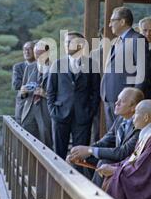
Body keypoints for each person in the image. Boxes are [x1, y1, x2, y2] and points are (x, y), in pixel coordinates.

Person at [68, 88, 144, 186]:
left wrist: (89, 150)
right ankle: (86, 189)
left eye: (122, 101)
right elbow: (105, 141)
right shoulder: (120, 119)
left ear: (133, 107)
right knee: (87, 158)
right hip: (119, 162)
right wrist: (82, 153)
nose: (116, 103)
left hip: (130, 168)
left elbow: (123, 152)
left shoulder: (140, 126)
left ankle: (94, 196)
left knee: (103, 161)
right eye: (117, 99)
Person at [47, 32, 100, 160]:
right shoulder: (57, 64)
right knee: (58, 154)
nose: (67, 44)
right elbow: (50, 91)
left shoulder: (91, 64)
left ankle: (79, 179)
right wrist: (53, 111)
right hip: (60, 114)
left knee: (80, 156)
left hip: (83, 115)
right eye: (66, 42)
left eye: (70, 42)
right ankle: (57, 179)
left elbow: (96, 91)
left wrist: (90, 111)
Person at [100, 7, 149, 130]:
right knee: (113, 136)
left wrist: (135, 99)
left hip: (126, 100)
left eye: (112, 20)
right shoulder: (116, 41)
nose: (109, 24)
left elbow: (142, 71)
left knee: (124, 137)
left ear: (122, 22)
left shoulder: (137, 39)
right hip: (110, 98)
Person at [20, 40, 52, 147]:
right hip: (30, 107)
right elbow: (23, 89)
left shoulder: (56, 68)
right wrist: (23, 92)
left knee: (46, 136)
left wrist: (45, 94)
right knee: (27, 135)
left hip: (46, 108)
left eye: (40, 53)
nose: (37, 55)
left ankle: (46, 163)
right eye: (36, 53)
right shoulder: (29, 67)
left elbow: (62, 93)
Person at [12, 41, 35, 124]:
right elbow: (16, 85)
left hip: (38, 104)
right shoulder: (18, 67)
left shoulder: (41, 67)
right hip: (23, 101)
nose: (26, 52)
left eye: (29, 49)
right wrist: (33, 87)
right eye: (24, 49)